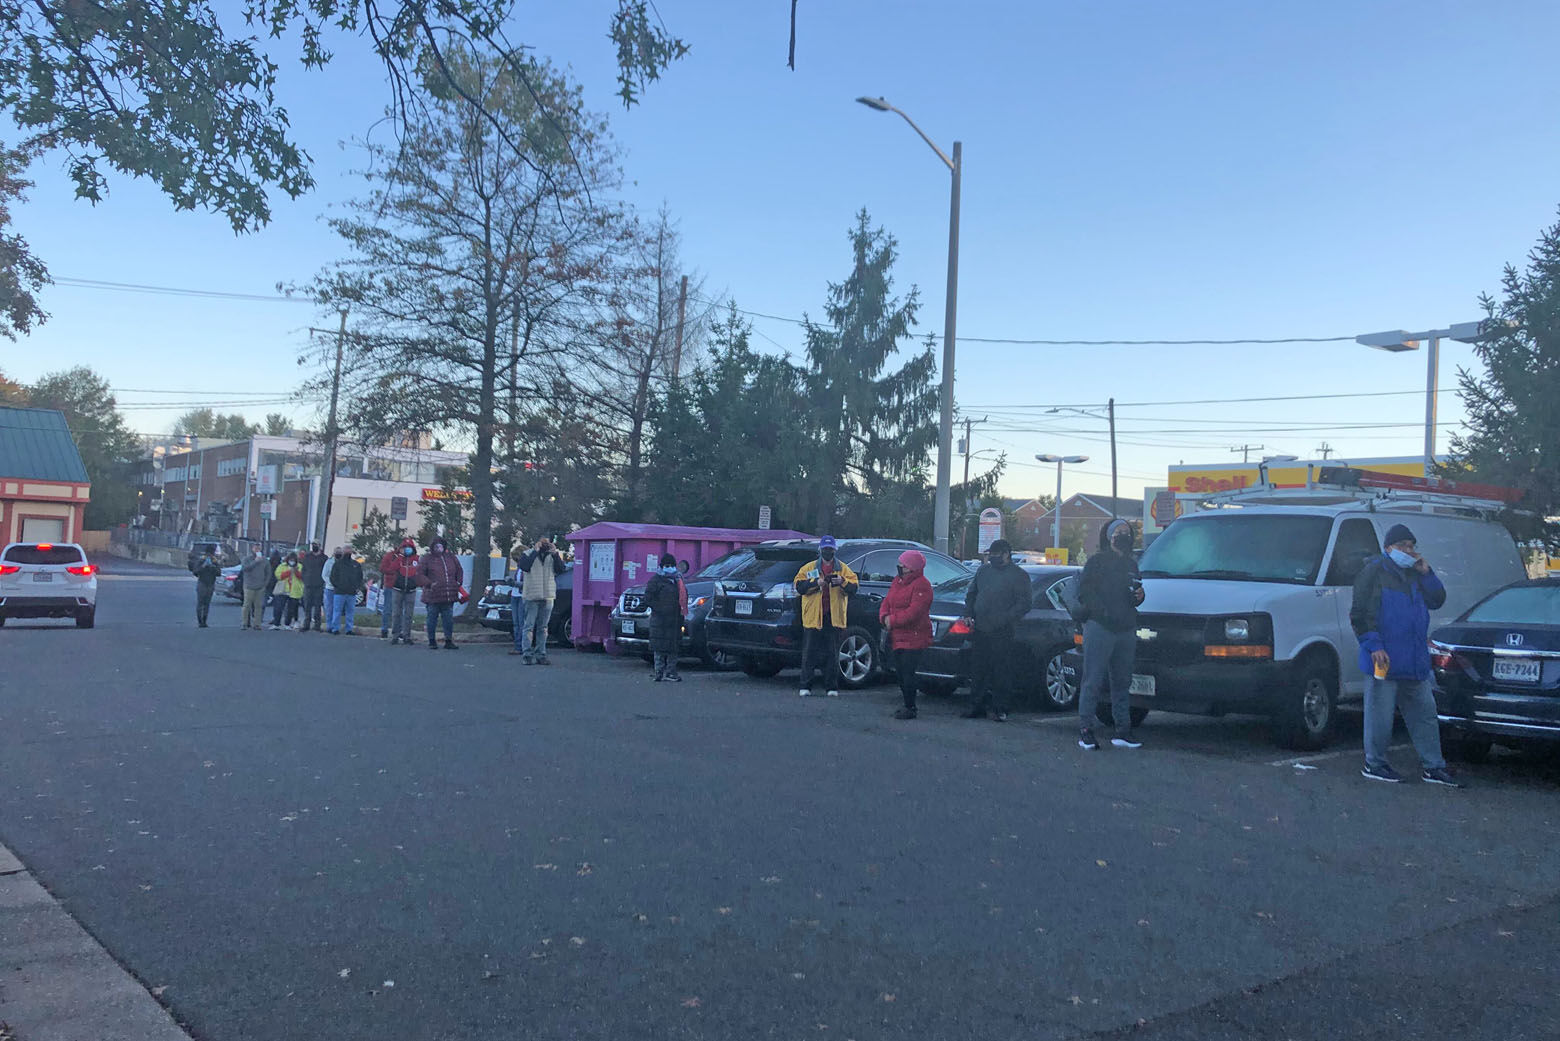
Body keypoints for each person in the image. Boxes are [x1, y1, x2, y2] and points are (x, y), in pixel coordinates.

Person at [1351, 523, 1461, 787]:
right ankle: (1374, 763)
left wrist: (1427, 573)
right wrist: (1374, 645)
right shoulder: (1373, 572)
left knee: (1425, 714)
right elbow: (1360, 614)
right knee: (1379, 716)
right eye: (1402, 546)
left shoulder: (1416, 574)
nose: (1408, 551)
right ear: (1388, 548)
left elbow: (1437, 600)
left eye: (1411, 546)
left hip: (1414, 660)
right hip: (1384, 659)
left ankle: (1434, 767)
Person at [1075, 520, 1146, 749]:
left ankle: (1123, 730)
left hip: (1126, 628)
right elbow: (1085, 592)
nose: (1122, 535)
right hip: (1100, 627)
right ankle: (1086, 729)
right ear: (1108, 535)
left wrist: (1139, 596)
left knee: (1122, 681)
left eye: (1126, 532)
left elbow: (1134, 593)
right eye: (1118, 532)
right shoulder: (1096, 562)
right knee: (1093, 680)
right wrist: (1102, 612)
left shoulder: (1131, 565)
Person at [960, 538, 1032, 722]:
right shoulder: (983, 571)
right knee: (978, 669)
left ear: (1006, 554)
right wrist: (969, 613)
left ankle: (1000, 707)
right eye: (990, 554)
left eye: (995, 554)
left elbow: (1024, 603)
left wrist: (1004, 618)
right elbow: (972, 593)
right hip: (981, 628)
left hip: (1003, 630)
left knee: (1001, 671)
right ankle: (976, 705)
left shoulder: (1019, 575)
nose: (991, 557)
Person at [793, 535, 858, 697]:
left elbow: (854, 587)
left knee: (832, 653)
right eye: (825, 549)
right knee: (809, 652)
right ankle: (805, 686)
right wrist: (816, 583)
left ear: (834, 550)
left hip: (833, 617)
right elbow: (799, 586)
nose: (828, 552)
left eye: (830, 549)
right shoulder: (807, 568)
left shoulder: (843, 569)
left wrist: (841, 581)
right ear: (820, 550)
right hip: (813, 616)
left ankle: (831, 687)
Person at [879, 549, 934, 720]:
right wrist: (884, 616)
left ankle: (911, 706)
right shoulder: (898, 581)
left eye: (903, 565)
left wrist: (893, 620)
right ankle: (906, 704)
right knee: (900, 672)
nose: (900, 567)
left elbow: (915, 612)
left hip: (914, 636)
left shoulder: (922, 585)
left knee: (908, 672)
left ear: (912, 568)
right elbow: (887, 601)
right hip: (897, 635)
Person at [512, 537, 568, 663]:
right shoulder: (527, 554)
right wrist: (535, 552)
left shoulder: (551, 556)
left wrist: (555, 554)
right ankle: (527, 654)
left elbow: (561, 569)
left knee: (543, 627)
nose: (544, 546)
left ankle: (541, 654)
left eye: (546, 544)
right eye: (542, 544)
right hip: (531, 595)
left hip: (547, 595)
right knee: (529, 626)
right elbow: (524, 567)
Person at [645, 553, 688, 681]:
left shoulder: (678, 580)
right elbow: (648, 598)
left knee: (673, 648)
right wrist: (660, 608)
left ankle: (671, 672)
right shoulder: (655, 581)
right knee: (659, 647)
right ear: (661, 567)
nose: (670, 568)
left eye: (672, 565)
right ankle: (659, 672)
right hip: (660, 620)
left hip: (675, 619)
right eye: (667, 565)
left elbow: (684, 596)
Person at [417, 537, 464, 650]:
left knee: (448, 619)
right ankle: (432, 641)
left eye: (441, 546)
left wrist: (458, 582)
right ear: (432, 547)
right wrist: (429, 584)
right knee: (432, 619)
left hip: (449, 595)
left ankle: (448, 640)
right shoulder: (427, 559)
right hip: (433, 595)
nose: (439, 548)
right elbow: (420, 574)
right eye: (437, 546)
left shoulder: (451, 558)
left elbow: (459, 570)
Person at [386, 537, 420, 644]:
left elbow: (420, 572)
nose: (407, 549)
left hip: (411, 590)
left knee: (409, 614)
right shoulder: (398, 559)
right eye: (405, 547)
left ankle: (407, 636)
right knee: (396, 613)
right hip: (398, 589)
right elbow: (391, 569)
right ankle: (395, 635)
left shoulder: (416, 559)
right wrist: (400, 556)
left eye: (409, 547)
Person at [329, 547, 364, 635]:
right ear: (343, 552)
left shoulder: (356, 564)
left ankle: (349, 629)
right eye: (346, 551)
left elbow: (360, 577)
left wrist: (357, 587)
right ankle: (335, 628)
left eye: (349, 551)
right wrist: (338, 586)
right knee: (337, 611)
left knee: (350, 612)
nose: (348, 552)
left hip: (351, 593)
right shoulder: (337, 564)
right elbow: (332, 577)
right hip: (339, 592)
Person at [270, 551, 304, 630]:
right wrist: (289, 572)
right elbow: (278, 576)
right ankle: (276, 624)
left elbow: (302, 576)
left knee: (290, 610)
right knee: (278, 608)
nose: (292, 561)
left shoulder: (300, 566)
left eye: (293, 560)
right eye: (290, 560)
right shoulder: (282, 566)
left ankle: (287, 624)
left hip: (294, 591)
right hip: (283, 590)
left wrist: (295, 571)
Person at [240, 546, 270, 630]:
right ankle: (244, 623)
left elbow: (268, 572)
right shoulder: (246, 559)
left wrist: (265, 583)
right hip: (249, 586)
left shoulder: (264, 560)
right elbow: (245, 569)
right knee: (246, 605)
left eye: (259, 549)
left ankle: (257, 624)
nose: (257, 550)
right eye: (255, 549)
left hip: (260, 586)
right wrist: (255, 562)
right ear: (252, 549)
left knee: (258, 606)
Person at [300, 543, 327, 632]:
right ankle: (306, 624)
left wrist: (322, 581)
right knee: (307, 605)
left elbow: (325, 570)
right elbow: (303, 570)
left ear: (320, 546)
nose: (314, 546)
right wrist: (305, 579)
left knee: (317, 606)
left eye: (316, 545)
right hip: (308, 584)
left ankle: (317, 625)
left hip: (319, 585)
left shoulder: (324, 558)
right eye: (313, 544)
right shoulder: (307, 557)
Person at [377, 542, 402, 639]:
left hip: (401, 586)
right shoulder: (389, 556)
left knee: (400, 610)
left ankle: (398, 630)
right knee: (387, 609)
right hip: (390, 585)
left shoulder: (406, 557)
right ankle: (384, 629)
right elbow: (383, 568)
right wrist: (395, 571)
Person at [192, 547, 221, 627]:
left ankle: (204, 621)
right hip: (202, 583)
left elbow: (219, 573)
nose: (210, 556)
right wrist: (203, 566)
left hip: (211, 584)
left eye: (211, 554)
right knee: (200, 603)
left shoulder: (214, 561)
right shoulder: (201, 560)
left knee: (207, 604)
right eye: (208, 554)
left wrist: (213, 567)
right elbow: (195, 572)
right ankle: (200, 621)